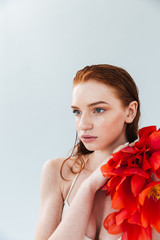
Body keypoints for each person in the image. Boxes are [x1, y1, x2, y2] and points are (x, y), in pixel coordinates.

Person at [34, 64, 158, 240]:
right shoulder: (58, 172)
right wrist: (89, 186)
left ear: (130, 112)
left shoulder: (153, 179)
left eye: (98, 110)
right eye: (77, 112)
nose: (83, 125)